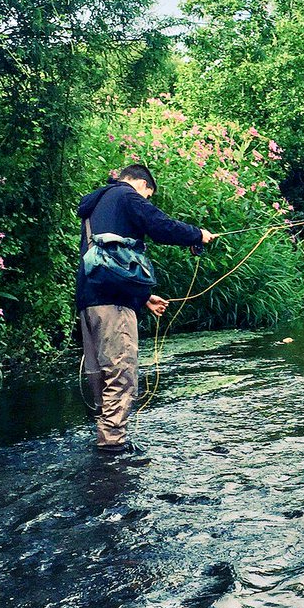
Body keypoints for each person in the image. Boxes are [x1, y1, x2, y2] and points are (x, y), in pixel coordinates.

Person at [76, 163, 214, 452]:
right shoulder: (127, 195)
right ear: (140, 184)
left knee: (99, 374)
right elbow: (160, 225)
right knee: (121, 374)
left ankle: (104, 438)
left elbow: (107, 264)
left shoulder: (96, 205)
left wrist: (142, 298)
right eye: (148, 195)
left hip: (89, 303)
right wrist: (197, 235)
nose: (146, 200)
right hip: (114, 305)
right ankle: (112, 448)